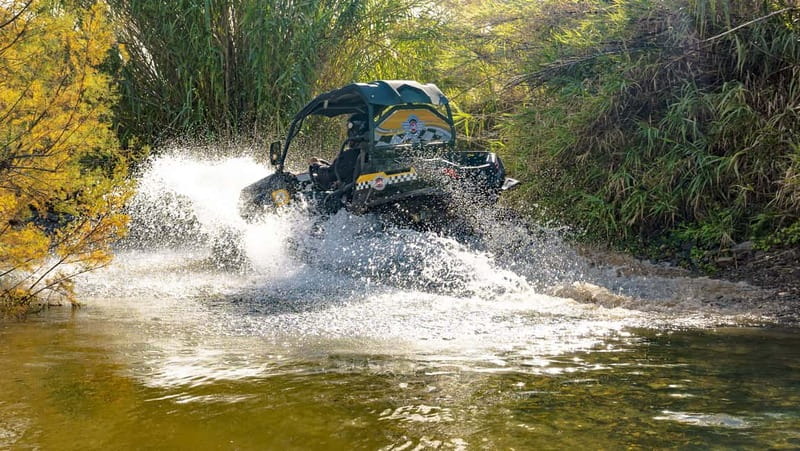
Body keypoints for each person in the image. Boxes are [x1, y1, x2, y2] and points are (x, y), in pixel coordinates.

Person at [309, 114, 368, 191]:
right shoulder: (370, 154)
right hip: (353, 191)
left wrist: (316, 165)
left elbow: (329, 175)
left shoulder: (351, 155)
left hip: (345, 197)